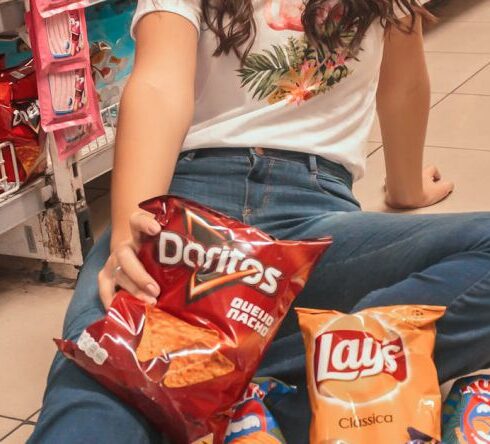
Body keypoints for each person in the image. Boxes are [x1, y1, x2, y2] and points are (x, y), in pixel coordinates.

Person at [29, 0, 490, 442]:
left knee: (114, 376)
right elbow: (158, 86)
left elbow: (403, 83)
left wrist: (409, 187)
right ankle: (312, 377)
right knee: (102, 374)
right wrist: (137, 228)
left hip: (310, 226)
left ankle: (221, 380)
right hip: (189, 210)